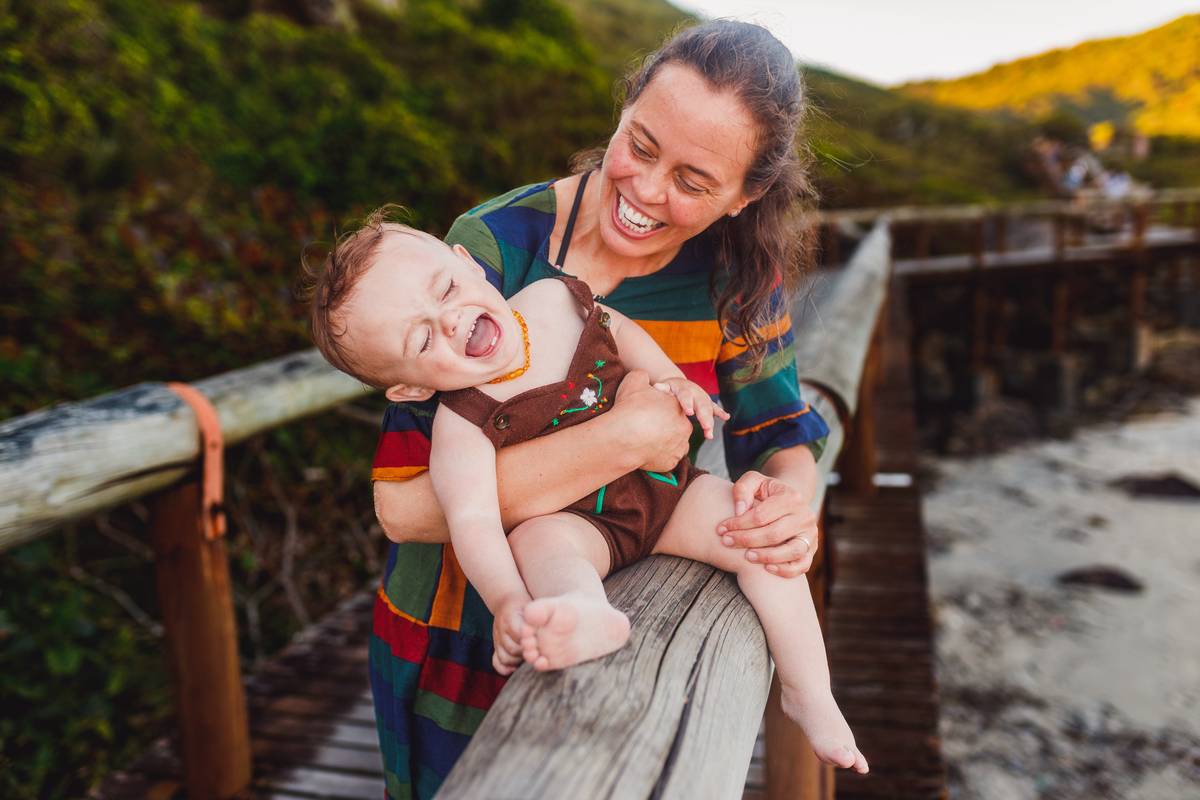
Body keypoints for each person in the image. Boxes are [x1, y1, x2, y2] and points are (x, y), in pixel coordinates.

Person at [339, 20, 835, 800]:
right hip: (459, 636)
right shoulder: (494, 245)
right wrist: (624, 439)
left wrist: (791, 512)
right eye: (639, 145)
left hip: (636, 613)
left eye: (693, 182)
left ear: (746, 196)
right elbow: (404, 506)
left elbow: (778, 435)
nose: (643, 190)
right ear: (624, 105)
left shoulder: (740, 278)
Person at [308, 219, 868, 775]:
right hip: (580, 528)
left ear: (467, 261)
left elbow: (618, 328)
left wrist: (672, 379)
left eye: (447, 289)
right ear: (412, 388)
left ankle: (808, 692)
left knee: (758, 540)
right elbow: (473, 520)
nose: (450, 320)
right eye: (423, 338)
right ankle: (583, 613)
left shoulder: (552, 298)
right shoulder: (460, 426)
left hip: (667, 493)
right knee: (538, 541)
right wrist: (507, 601)